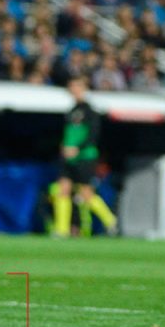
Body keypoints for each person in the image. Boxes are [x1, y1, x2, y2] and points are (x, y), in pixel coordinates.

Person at [48, 77, 118, 237]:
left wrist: (78, 149)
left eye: (77, 86)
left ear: (84, 88)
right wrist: (64, 146)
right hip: (68, 157)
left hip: (85, 157)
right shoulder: (71, 111)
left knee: (86, 193)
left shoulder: (90, 112)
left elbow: (93, 135)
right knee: (63, 189)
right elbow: (69, 133)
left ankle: (111, 221)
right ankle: (62, 230)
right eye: (71, 86)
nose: (74, 89)